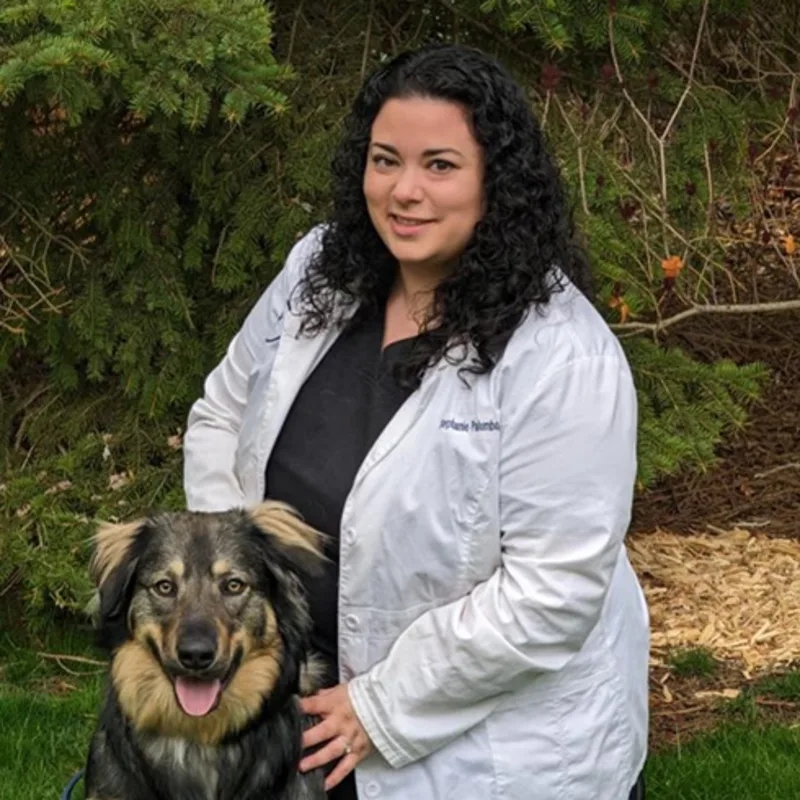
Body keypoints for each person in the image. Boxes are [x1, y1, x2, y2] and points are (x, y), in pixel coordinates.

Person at [183, 43, 649, 800]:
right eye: (385, 159)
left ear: (496, 181)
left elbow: (552, 590)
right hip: (300, 701)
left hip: (486, 750)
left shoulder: (562, 357)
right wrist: (232, 579)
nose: (404, 191)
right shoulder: (318, 271)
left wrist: (381, 705)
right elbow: (221, 412)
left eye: (439, 165)